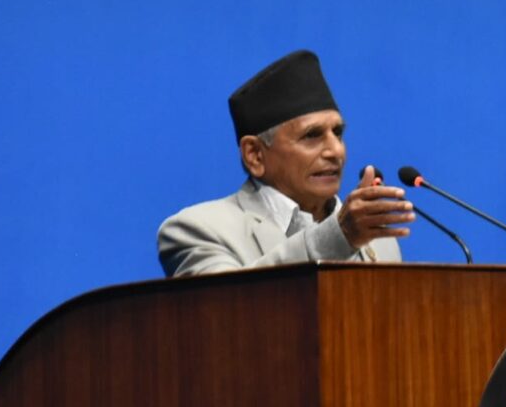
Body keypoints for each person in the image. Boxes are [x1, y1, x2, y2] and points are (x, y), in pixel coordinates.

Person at [157, 50, 414, 277]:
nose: (336, 151)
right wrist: (338, 236)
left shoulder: (377, 240)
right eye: (311, 135)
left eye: (338, 133)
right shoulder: (199, 229)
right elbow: (228, 307)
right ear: (255, 155)